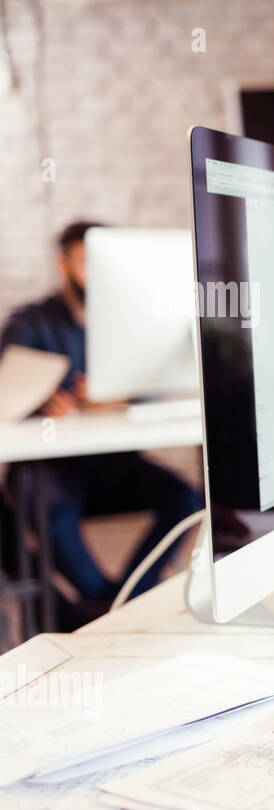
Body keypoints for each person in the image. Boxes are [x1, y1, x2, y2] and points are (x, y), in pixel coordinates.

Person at [0, 221, 203, 615]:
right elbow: (10, 390)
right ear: (63, 266)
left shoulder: (132, 322)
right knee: (49, 505)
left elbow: (155, 379)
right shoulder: (31, 323)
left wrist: (116, 394)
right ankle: (103, 600)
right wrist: (43, 403)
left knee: (187, 498)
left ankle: (122, 598)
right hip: (49, 468)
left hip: (108, 463)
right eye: (84, 263)